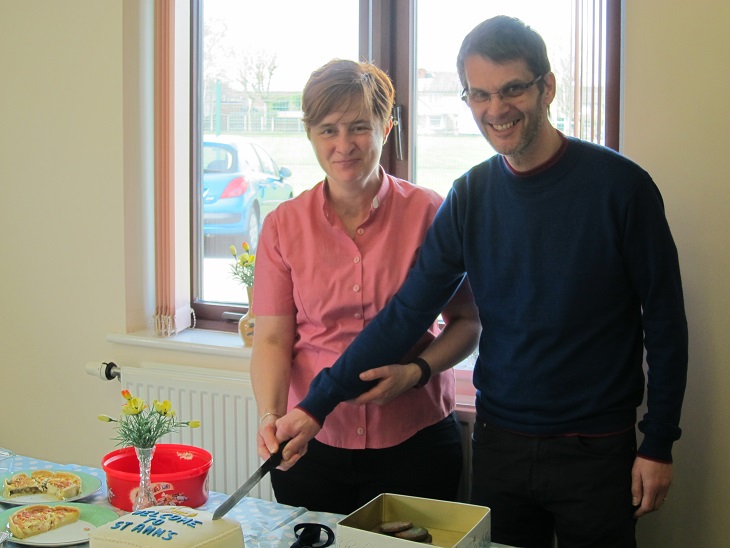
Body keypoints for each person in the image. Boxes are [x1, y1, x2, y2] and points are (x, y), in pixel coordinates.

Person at [272, 17, 689, 548]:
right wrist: (315, 405)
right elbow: (406, 314)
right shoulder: (469, 196)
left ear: (547, 87)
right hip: (499, 446)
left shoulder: (621, 188)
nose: (496, 109)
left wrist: (657, 444)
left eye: (513, 88)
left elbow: (667, 325)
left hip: (597, 450)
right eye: (480, 94)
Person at [250, 58, 481, 516]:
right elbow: (273, 337)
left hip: (416, 441)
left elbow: (468, 323)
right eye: (328, 129)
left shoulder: (431, 214)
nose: (343, 145)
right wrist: (271, 417)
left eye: (359, 127)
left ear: (387, 127)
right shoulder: (282, 226)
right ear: (310, 134)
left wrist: (416, 371)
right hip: (315, 445)